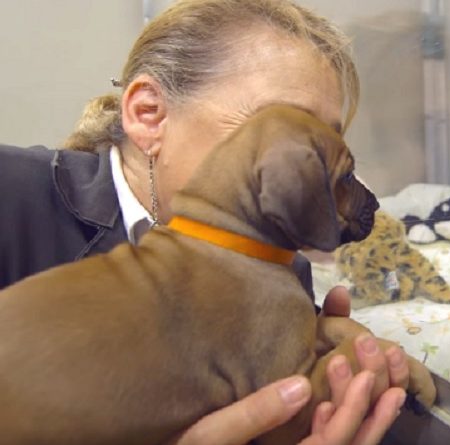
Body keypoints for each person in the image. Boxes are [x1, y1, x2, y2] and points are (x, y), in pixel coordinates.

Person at [0, 0, 412, 444]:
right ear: (148, 114)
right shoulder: (12, 193)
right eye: (282, 123)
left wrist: (317, 344)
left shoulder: (277, 265)